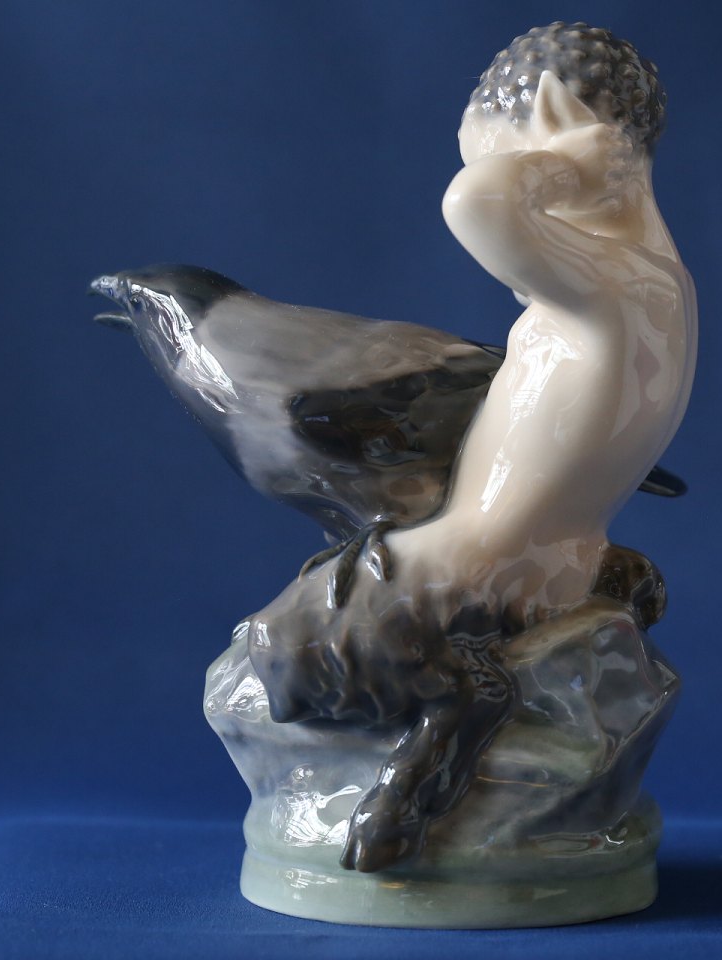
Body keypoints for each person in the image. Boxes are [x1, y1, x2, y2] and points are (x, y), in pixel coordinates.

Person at [244, 23, 696, 873]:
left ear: (556, 121)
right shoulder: (647, 284)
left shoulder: (615, 287)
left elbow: (475, 205)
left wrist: (563, 165)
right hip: (546, 565)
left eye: (500, 154)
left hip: (470, 569)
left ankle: (441, 737)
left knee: (284, 645)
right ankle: (451, 718)